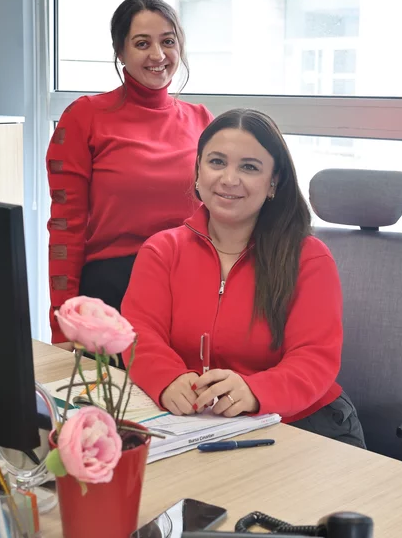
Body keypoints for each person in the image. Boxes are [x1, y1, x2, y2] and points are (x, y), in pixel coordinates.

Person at [122, 109, 366, 448]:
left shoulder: (309, 258)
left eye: (249, 167)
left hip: (302, 424)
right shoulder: (162, 250)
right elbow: (139, 333)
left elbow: (314, 358)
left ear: (273, 182)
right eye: (217, 162)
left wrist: (254, 390)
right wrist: (167, 379)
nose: (229, 179)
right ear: (198, 171)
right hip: (198, 424)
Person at [46, 0, 214, 349]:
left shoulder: (202, 120)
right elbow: (65, 230)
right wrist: (62, 324)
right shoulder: (84, 117)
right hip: (113, 293)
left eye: (168, 41)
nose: (158, 55)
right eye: (142, 43)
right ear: (120, 52)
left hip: (191, 286)